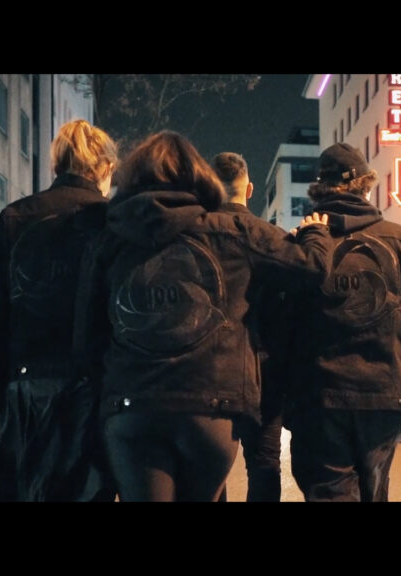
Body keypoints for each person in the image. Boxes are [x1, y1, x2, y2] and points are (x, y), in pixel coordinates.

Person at [75, 131, 330, 502]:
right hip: (211, 406)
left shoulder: (110, 238)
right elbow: (311, 268)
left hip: (132, 405)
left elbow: (87, 336)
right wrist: (316, 231)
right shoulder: (233, 231)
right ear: (197, 177)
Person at [283, 143, 401, 502]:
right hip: (384, 389)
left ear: (319, 190)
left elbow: (279, 324)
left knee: (329, 491)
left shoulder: (300, 244)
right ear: (366, 187)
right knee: (374, 491)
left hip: (319, 393)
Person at [0, 119, 118, 501]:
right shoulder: (114, 222)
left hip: (26, 391)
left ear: (57, 164)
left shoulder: (16, 217)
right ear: (105, 167)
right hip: (94, 391)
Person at [211, 151, 286, 502]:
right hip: (263, 371)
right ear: (250, 189)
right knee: (264, 462)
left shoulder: (195, 234)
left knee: (210, 466)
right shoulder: (271, 237)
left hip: (210, 368)